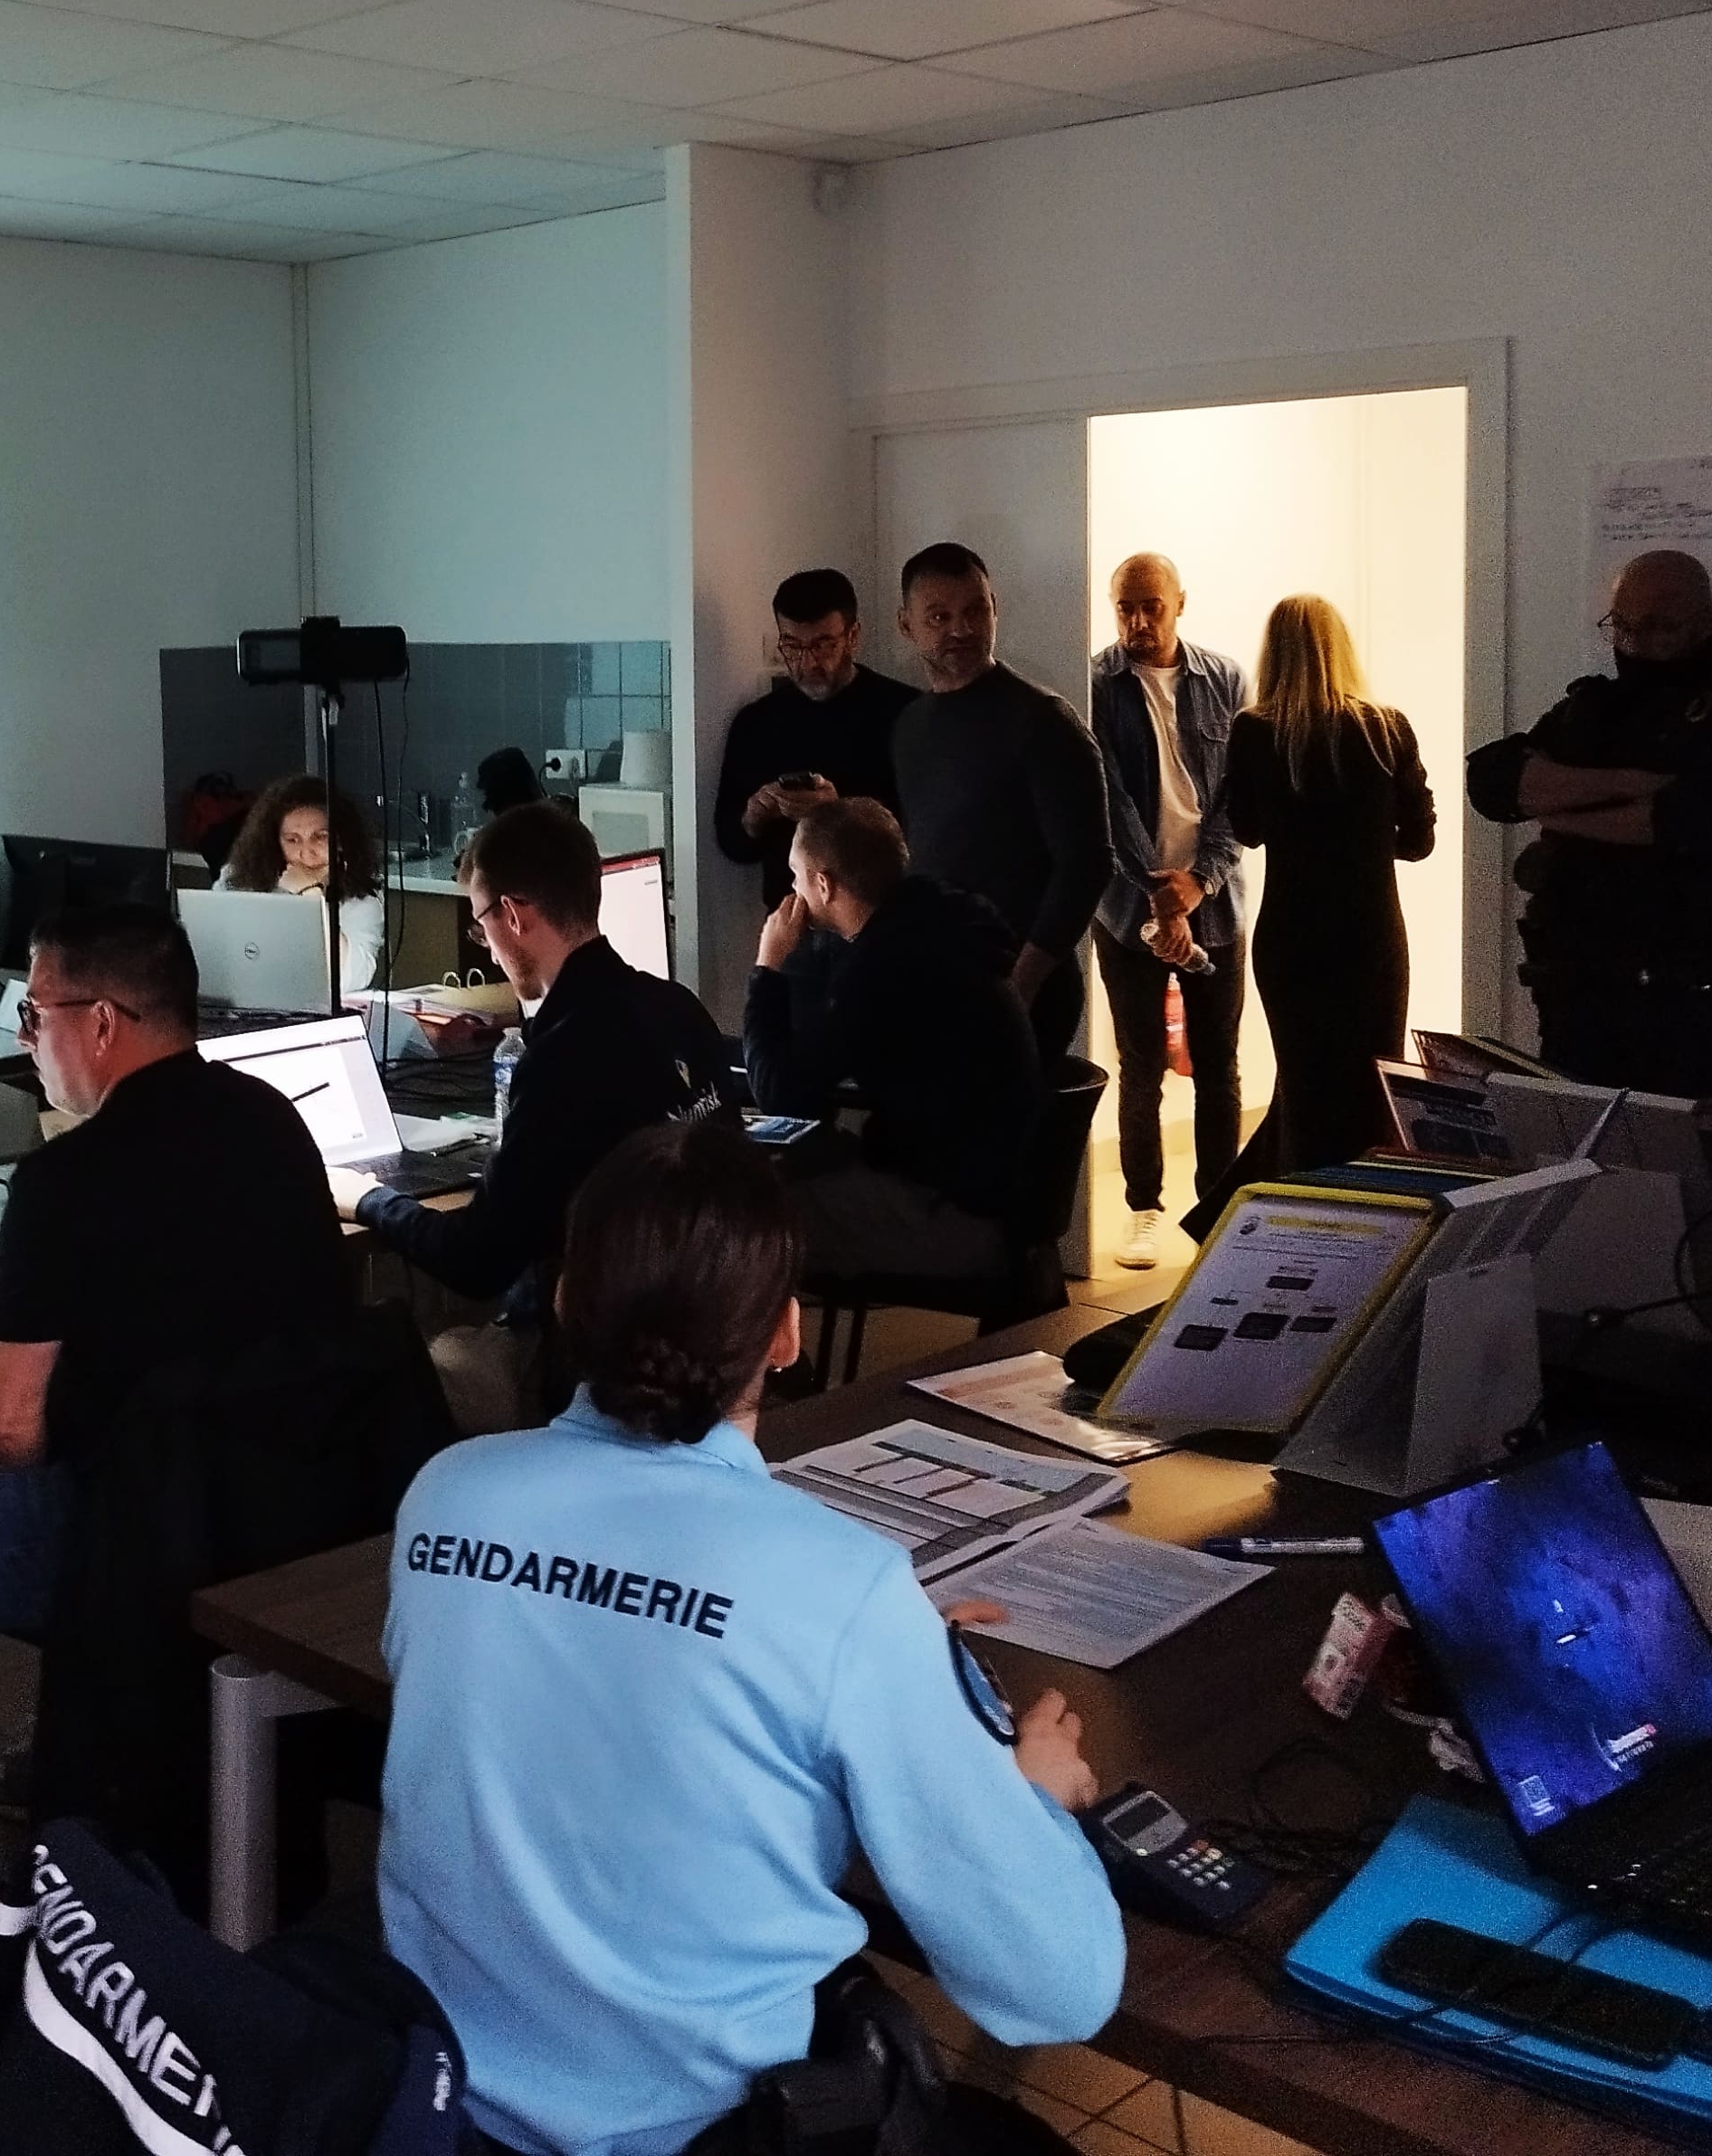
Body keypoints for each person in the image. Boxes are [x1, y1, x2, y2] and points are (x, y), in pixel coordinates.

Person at [380, 1117, 1124, 2156]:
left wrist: (860, 1652)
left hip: (438, 2107)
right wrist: (1025, 1790)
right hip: (700, 2135)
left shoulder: (448, 1494)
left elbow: (570, 1681)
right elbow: (1058, 1988)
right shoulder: (837, 1587)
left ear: (565, 1301)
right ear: (785, 1332)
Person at [0, 900, 347, 2031]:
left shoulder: (68, 1178)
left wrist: (43, 1545)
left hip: (134, 1529)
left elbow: (4, 1430)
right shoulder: (272, 1123)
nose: (26, 1036)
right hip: (290, 1510)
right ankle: (97, 1707)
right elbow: (176, 1262)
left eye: (34, 1014)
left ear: (100, 1022)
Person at [338, 802, 731, 1433]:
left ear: (514, 916)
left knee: (403, 1367)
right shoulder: (678, 1008)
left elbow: (477, 1262)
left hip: (603, 1361)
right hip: (713, 1334)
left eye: (481, 925)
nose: (489, 949)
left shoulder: (564, 1057)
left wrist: (370, 1200)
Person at [1468, 551, 1712, 1097]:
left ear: (1706, 624)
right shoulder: (1594, 707)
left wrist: (1561, 809)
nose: (1636, 642)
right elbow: (1494, 783)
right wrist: (1627, 782)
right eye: (1622, 625)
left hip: (1693, 1015)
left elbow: (1687, 819)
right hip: (1579, 1008)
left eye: (1659, 627)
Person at [745, 799, 1052, 1322]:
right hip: (998, 1198)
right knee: (802, 1167)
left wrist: (768, 966)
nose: (791, 891)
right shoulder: (936, 926)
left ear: (823, 884)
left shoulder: (884, 969)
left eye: (796, 877)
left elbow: (779, 1095)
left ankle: (769, 1366)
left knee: (742, 1221)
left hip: (957, 1218)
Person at [1214, 596, 1434, 1191]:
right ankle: (1367, 1215)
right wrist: (1360, 841)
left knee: (1304, 1087)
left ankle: (1297, 1214)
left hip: (1293, 938)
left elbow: (1247, 830)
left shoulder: (1255, 731)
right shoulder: (1388, 728)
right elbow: (1419, 842)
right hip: (1372, 939)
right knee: (1370, 1090)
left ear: (1274, 654)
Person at [889, 544, 1115, 1061]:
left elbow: (1088, 865)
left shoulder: (1042, 721)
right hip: (939, 982)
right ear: (907, 625)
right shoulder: (910, 726)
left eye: (975, 611)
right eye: (939, 617)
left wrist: (1022, 984)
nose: (961, 629)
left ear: (996, 608)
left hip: (1023, 987)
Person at [1086, 554, 1248, 1262]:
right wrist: (1160, 896)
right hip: (1127, 909)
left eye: (1151, 605)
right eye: (1125, 607)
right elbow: (1108, 801)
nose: (1137, 621)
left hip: (1215, 903)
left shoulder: (1227, 680)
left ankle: (1218, 1213)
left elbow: (1238, 796)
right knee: (1140, 1062)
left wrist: (1199, 884)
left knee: (1218, 1065)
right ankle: (1143, 1207)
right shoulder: (1096, 683)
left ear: (1180, 602)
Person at [712, 568, 918, 912]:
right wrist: (753, 819)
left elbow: (927, 836)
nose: (807, 662)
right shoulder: (756, 723)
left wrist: (839, 813)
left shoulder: (905, 713)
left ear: (853, 636)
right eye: (792, 646)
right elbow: (732, 845)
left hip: (885, 918)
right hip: (791, 919)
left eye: (823, 645)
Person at [218, 770, 386, 996]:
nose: (306, 854)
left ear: (341, 841)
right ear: (275, 843)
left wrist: (311, 895)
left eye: (321, 837)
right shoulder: (241, 880)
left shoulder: (362, 898)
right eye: (292, 840)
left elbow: (346, 979)